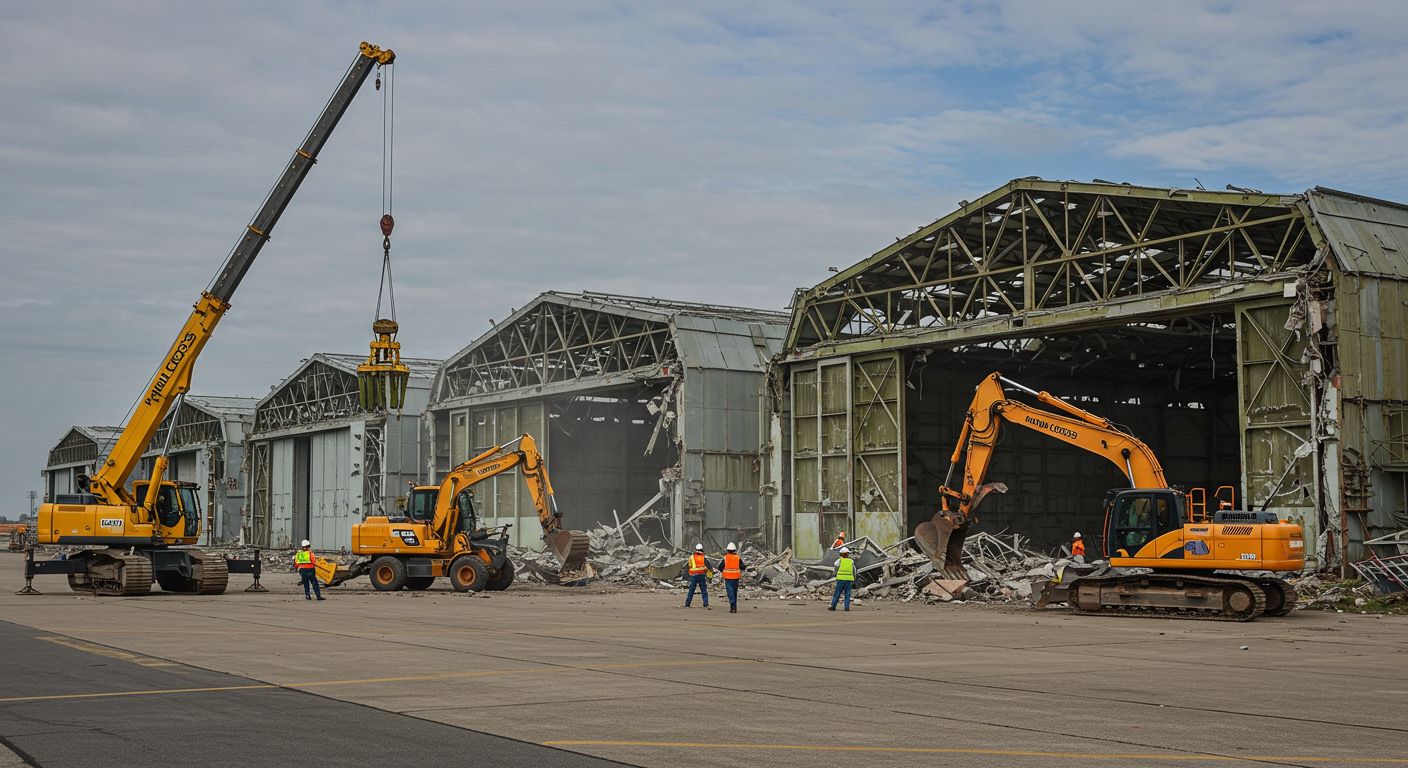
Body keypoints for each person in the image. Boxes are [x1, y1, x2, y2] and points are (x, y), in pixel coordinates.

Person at [721, 542, 747, 613]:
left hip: (728, 578)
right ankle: (734, 608)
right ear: (735, 550)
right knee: (734, 593)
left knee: (730, 592)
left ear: (727, 550)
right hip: (736, 577)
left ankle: (732, 604)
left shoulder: (725, 558)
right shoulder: (738, 558)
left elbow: (720, 567)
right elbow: (743, 567)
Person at [828, 546, 855, 611]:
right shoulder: (851, 561)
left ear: (841, 554)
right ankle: (846, 607)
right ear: (847, 554)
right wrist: (854, 578)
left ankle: (833, 606)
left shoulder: (839, 561)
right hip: (848, 580)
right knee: (847, 594)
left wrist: (836, 574)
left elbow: (835, 569)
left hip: (840, 580)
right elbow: (854, 571)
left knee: (837, 594)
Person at [683, 543, 710, 609]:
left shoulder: (691, 557)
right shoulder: (704, 557)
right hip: (701, 575)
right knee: (703, 590)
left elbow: (689, 565)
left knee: (691, 590)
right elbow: (708, 566)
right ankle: (705, 603)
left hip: (694, 576)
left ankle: (687, 604)